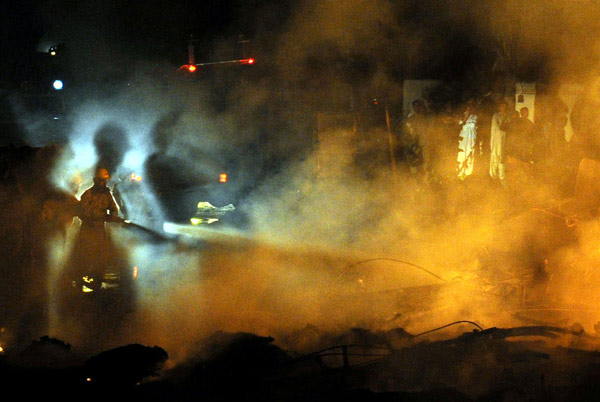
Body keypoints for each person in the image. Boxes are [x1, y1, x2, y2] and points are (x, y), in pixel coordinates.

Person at [456, 105, 478, 180]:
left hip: (470, 138)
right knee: (461, 155)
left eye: (469, 108)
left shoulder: (474, 116)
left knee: (470, 154)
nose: (468, 110)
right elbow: (459, 124)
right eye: (466, 108)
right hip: (463, 138)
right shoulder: (462, 116)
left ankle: (468, 173)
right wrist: (464, 119)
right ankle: (460, 172)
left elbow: (472, 125)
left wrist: (464, 124)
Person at [489, 101, 509, 184]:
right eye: (501, 106)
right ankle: (493, 174)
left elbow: (508, 126)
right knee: (495, 155)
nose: (503, 108)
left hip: (504, 138)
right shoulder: (496, 115)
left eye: (504, 106)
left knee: (502, 157)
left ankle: (502, 175)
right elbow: (498, 127)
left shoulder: (507, 116)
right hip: (497, 138)